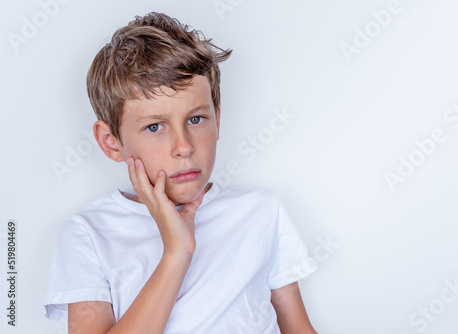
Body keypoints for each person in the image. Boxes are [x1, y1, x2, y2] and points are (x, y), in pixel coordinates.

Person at [43, 12, 318, 333]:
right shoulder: (88, 233)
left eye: (196, 119)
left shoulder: (262, 212)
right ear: (111, 141)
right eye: (155, 126)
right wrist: (177, 252)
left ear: (217, 119)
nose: (183, 146)